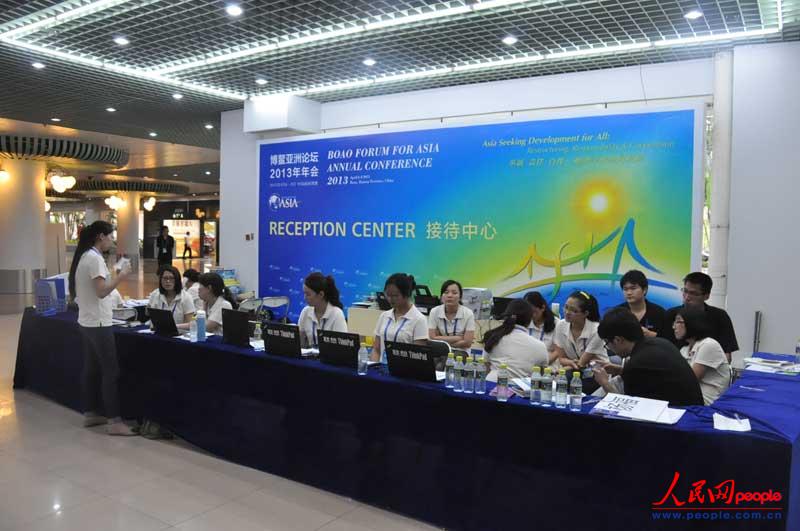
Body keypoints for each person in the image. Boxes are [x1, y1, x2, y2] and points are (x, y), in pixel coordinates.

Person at [68, 220, 137, 436]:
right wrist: (121, 276)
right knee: (110, 371)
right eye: (110, 236)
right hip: (98, 323)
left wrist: (114, 274)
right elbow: (101, 291)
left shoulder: (85, 256)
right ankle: (114, 420)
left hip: (87, 321)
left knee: (92, 368)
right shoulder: (94, 258)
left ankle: (91, 412)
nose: (112, 240)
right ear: (100, 236)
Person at [593, 307, 703, 406]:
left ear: (618, 340)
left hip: (679, 416)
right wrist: (620, 370)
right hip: (693, 410)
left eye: (607, 343)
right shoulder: (659, 343)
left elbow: (626, 409)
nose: (608, 348)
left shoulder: (637, 363)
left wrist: (604, 383)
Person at [660, 272, 739, 362]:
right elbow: (663, 349)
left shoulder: (720, 316)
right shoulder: (671, 314)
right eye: (685, 291)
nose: (687, 297)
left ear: (706, 296)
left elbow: (726, 355)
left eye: (693, 293)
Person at [673, 307, 731, 405]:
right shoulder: (684, 349)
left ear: (692, 323)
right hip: (691, 397)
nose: (674, 327)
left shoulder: (708, 344)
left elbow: (690, 380)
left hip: (707, 402)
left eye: (678, 322)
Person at [482, 299, 548, 382]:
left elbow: (486, 366)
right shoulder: (540, 346)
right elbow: (543, 376)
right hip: (518, 388)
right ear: (529, 320)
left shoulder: (493, 337)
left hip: (491, 384)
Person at [372, 273, 429, 362]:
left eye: (395, 296)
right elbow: (376, 349)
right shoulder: (384, 316)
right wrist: (373, 366)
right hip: (381, 368)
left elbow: (418, 357)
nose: (390, 299)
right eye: (388, 295)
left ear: (407, 295)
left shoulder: (419, 320)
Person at [551, 291, 607, 370]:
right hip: (573, 370)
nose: (567, 312)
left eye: (573, 310)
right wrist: (570, 362)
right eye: (566, 307)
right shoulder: (560, 325)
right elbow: (562, 358)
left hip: (598, 371)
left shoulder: (596, 330)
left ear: (585, 313)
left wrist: (559, 371)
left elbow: (581, 363)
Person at [297, 272, 348, 348]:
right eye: (304, 293)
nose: (305, 298)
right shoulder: (306, 311)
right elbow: (299, 342)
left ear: (321, 294)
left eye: (308, 294)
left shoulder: (337, 314)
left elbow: (342, 346)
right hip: (310, 355)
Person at [428, 279, 476, 350]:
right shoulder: (434, 312)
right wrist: (459, 338)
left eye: (454, 293)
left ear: (460, 297)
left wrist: (440, 339)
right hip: (440, 352)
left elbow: (467, 343)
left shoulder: (468, 313)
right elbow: (432, 338)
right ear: (441, 296)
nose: (450, 295)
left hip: (461, 352)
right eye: (446, 292)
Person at [617, 270, 666, 337]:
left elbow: (669, 339)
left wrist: (652, 335)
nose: (629, 293)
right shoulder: (617, 313)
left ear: (644, 290)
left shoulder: (660, 313)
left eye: (633, 288)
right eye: (625, 289)